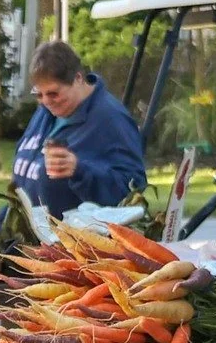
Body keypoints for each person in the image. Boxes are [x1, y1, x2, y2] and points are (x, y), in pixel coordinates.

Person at [10, 39, 145, 217]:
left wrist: (80, 171)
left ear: (78, 79)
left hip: (73, 240)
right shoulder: (46, 112)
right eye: (39, 94)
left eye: (53, 93)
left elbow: (132, 190)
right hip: (28, 237)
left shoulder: (111, 119)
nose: (46, 101)